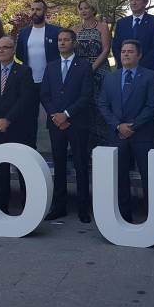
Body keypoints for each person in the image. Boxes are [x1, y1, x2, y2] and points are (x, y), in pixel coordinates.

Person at [97, 40, 154, 223]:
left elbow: (152, 107)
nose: (125, 54)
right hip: (117, 135)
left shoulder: (150, 76)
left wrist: (132, 126)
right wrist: (118, 125)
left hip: (143, 135)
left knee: (149, 177)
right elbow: (103, 104)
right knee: (120, 177)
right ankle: (124, 216)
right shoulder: (111, 77)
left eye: (130, 52)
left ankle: (153, 216)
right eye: (123, 51)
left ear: (139, 55)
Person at [40, 29, 94, 223]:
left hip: (76, 122)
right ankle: (59, 206)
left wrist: (67, 115)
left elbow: (86, 96)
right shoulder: (51, 66)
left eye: (66, 40)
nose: (62, 43)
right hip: (55, 123)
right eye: (59, 40)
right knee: (59, 164)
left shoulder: (84, 66)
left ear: (74, 42)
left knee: (80, 164)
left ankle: (82, 207)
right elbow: (44, 94)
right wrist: (55, 115)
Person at [0, 36, 34, 214]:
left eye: (6, 47)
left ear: (13, 50)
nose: (1, 51)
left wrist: (8, 120)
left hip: (18, 126)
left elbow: (25, 99)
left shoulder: (24, 71)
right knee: (1, 168)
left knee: (23, 168)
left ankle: (28, 206)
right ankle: (1, 207)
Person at [15, 0, 62, 146]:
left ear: (44, 11)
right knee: (28, 121)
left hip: (50, 82)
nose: (35, 12)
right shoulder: (24, 32)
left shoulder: (55, 31)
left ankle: (59, 154)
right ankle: (30, 156)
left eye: (38, 9)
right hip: (30, 82)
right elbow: (20, 54)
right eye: (32, 9)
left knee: (55, 117)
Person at [72, 0, 112, 148]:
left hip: (100, 71)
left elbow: (106, 50)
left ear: (93, 9)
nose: (83, 11)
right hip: (81, 72)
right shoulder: (75, 29)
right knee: (84, 108)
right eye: (81, 8)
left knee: (101, 108)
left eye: (86, 8)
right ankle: (86, 147)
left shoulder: (102, 27)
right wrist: (82, 71)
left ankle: (104, 145)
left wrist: (92, 68)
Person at [112, 0, 154, 72]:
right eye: (131, 0)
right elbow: (115, 46)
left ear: (145, 2)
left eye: (137, 0)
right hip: (124, 71)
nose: (133, 3)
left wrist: (138, 67)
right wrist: (125, 64)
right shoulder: (121, 23)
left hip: (147, 71)